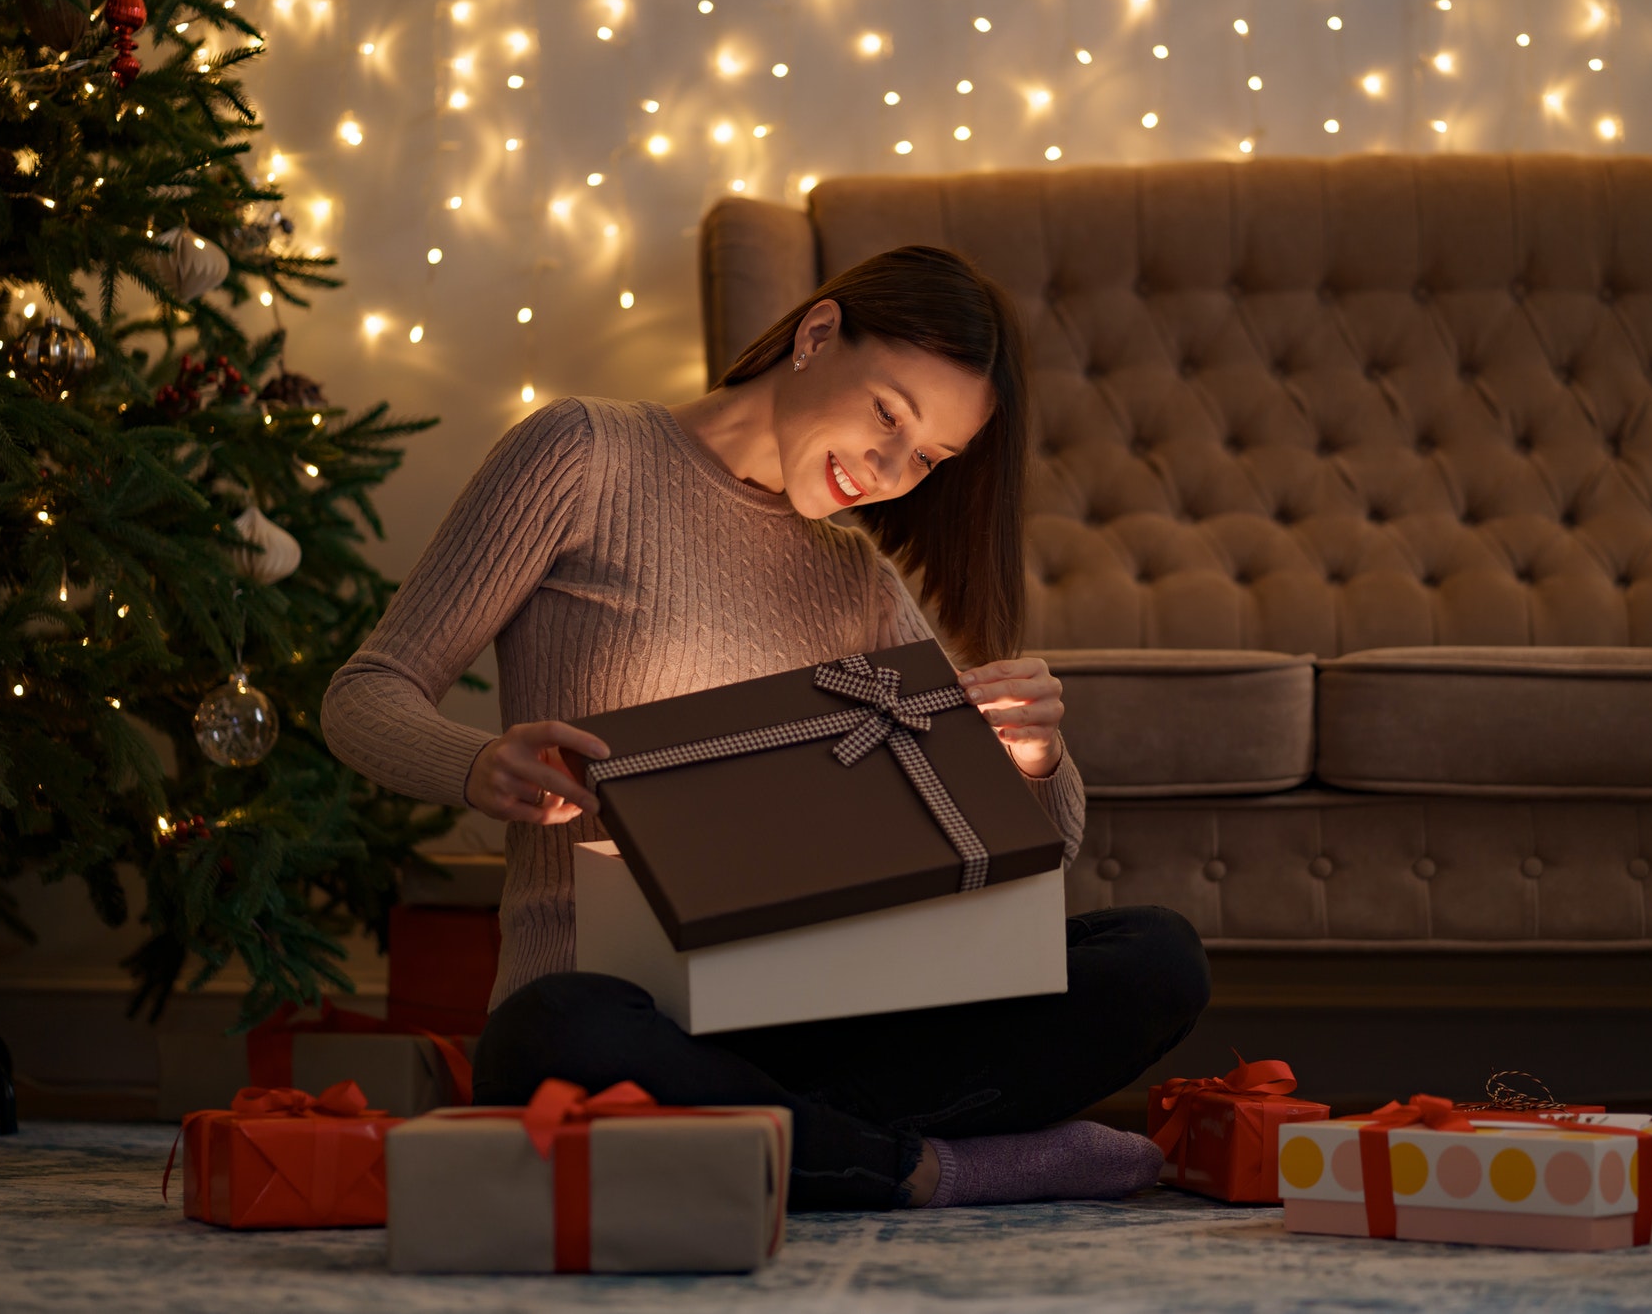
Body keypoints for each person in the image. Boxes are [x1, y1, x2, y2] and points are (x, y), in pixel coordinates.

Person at [321, 244, 1211, 1210]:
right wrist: (476, 762)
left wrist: (1035, 759)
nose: (890, 469)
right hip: (621, 1014)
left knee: (1155, 956)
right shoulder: (581, 455)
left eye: (929, 458)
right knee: (551, 1036)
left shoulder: (856, 576)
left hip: (820, 1014)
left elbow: (1048, 842)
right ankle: (932, 1164)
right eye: (888, 415)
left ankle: (793, 1140)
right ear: (816, 334)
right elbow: (365, 693)